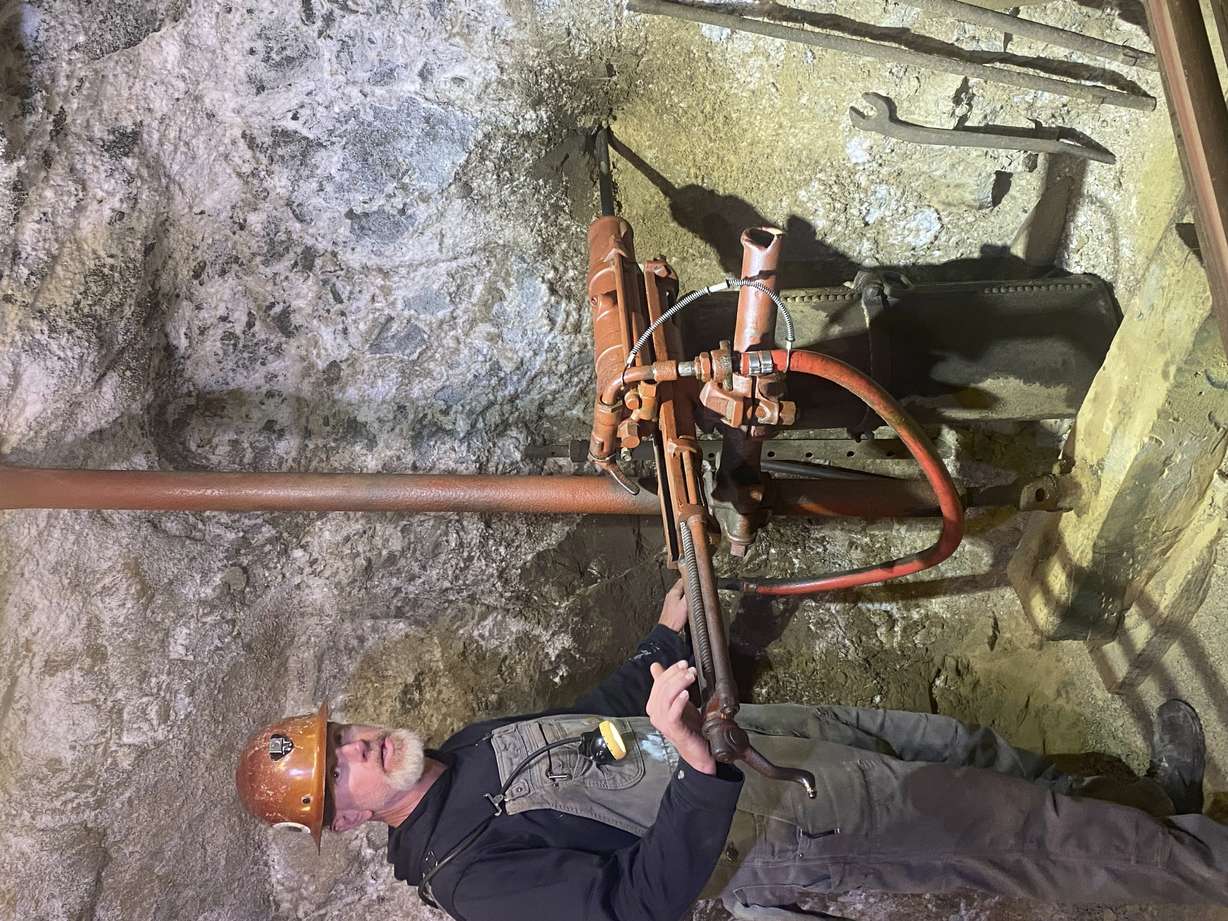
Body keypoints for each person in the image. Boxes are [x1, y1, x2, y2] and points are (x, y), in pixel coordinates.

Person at [236, 581, 1225, 920]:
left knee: (975, 751)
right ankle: (1194, 865)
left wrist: (663, 636)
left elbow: (604, 717)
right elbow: (636, 906)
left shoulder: (462, 753)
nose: (363, 742)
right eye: (345, 766)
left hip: (773, 750)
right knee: (1035, 837)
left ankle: (1154, 808)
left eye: (345, 735)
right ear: (350, 817)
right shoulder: (473, 880)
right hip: (787, 826)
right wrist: (695, 767)